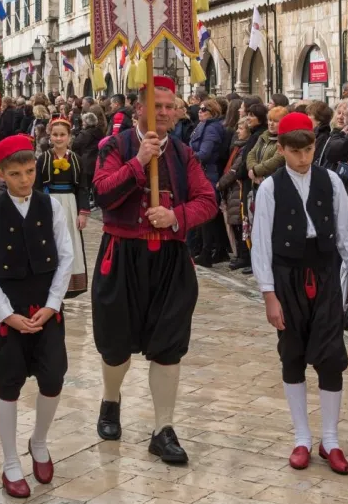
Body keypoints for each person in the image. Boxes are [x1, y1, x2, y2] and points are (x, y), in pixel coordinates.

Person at [91, 77, 217, 463]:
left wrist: (175, 216)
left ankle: (163, 429)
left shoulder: (183, 153)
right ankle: (110, 400)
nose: (163, 113)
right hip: (122, 255)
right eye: (156, 106)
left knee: (169, 345)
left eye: (169, 107)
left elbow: (207, 200)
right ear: (138, 109)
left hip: (169, 258)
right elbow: (102, 193)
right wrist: (139, 162)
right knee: (115, 344)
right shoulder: (114, 146)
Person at [251, 112, 348, 475]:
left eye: (308, 150)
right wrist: (269, 295)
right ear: (282, 149)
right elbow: (261, 244)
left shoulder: (331, 181)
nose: (303, 158)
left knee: (331, 355)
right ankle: (302, 437)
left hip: (324, 273)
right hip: (286, 276)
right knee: (292, 354)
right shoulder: (270, 187)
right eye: (295, 152)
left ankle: (330, 439)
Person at [0, 135, 73, 498]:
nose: (25, 180)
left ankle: (39, 441)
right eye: (15, 174)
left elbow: (66, 257)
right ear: (1, 174)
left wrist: (53, 304)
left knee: (53, 378)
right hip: (9, 310)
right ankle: (11, 461)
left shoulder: (50, 207)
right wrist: (5, 314)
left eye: (30, 171)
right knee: (9, 383)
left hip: (46, 307)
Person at [35, 115, 89, 297]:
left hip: (70, 204)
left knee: (70, 241)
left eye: (62, 135)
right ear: (50, 136)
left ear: (69, 137)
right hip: (49, 202)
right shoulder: (43, 159)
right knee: (49, 239)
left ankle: (70, 283)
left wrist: (83, 213)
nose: (58, 138)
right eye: (55, 135)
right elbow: (37, 186)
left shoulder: (76, 159)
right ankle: (48, 279)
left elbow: (82, 188)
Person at [188, 97, 227, 266]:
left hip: (208, 173)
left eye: (204, 109)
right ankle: (210, 250)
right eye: (200, 108)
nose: (200, 111)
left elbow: (205, 153)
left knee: (207, 212)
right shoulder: (202, 125)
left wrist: (187, 158)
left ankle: (207, 252)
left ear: (213, 112)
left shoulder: (212, 128)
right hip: (200, 171)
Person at [218, 112, 252, 271]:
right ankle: (240, 254)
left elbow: (235, 169)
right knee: (235, 223)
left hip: (238, 189)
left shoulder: (245, 148)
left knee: (240, 224)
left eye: (241, 128)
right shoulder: (237, 147)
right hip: (232, 190)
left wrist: (220, 184)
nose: (238, 131)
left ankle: (244, 256)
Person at [247, 105, 288, 187]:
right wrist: (253, 171)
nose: (271, 124)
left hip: (273, 184)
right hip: (257, 182)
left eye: (276, 121)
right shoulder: (264, 135)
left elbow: (277, 160)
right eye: (270, 120)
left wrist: (255, 171)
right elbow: (251, 154)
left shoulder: (285, 139)